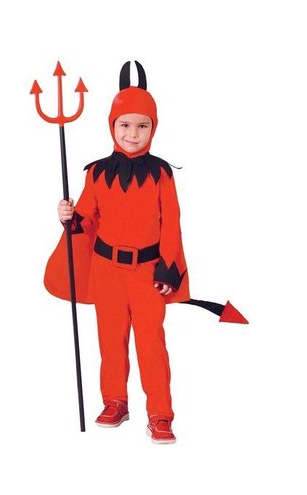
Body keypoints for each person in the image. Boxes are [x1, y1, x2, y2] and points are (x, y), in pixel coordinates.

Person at [49, 61, 191, 444]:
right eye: (124, 125)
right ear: (112, 126)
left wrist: (168, 269)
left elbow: (172, 224)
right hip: (107, 269)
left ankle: (160, 414)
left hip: (147, 272)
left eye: (142, 126)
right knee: (110, 340)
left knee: (151, 344)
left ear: (153, 128)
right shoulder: (96, 173)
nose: (132, 134)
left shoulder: (162, 174)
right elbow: (84, 220)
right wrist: (68, 217)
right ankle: (115, 401)